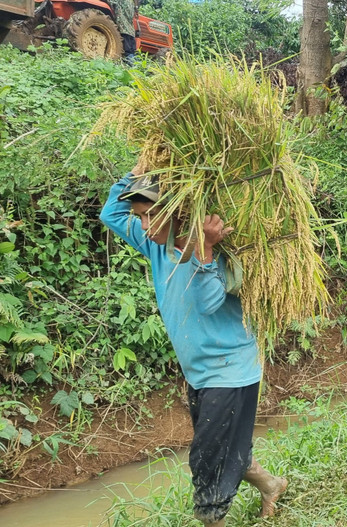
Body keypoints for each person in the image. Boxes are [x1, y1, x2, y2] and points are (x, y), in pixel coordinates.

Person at [100, 168, 287, 527]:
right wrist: (135, 173)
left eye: (151, 214)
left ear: (178, 212)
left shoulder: (223, 254)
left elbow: (207, 305)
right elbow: (110, 213)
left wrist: (204, 248)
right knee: (224, 446)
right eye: (140, 216)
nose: (143, 224)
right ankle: (272, 485)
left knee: (207, 460)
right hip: (200, 371)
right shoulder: (155, 246)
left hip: (231, 370)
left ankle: (211, 518)